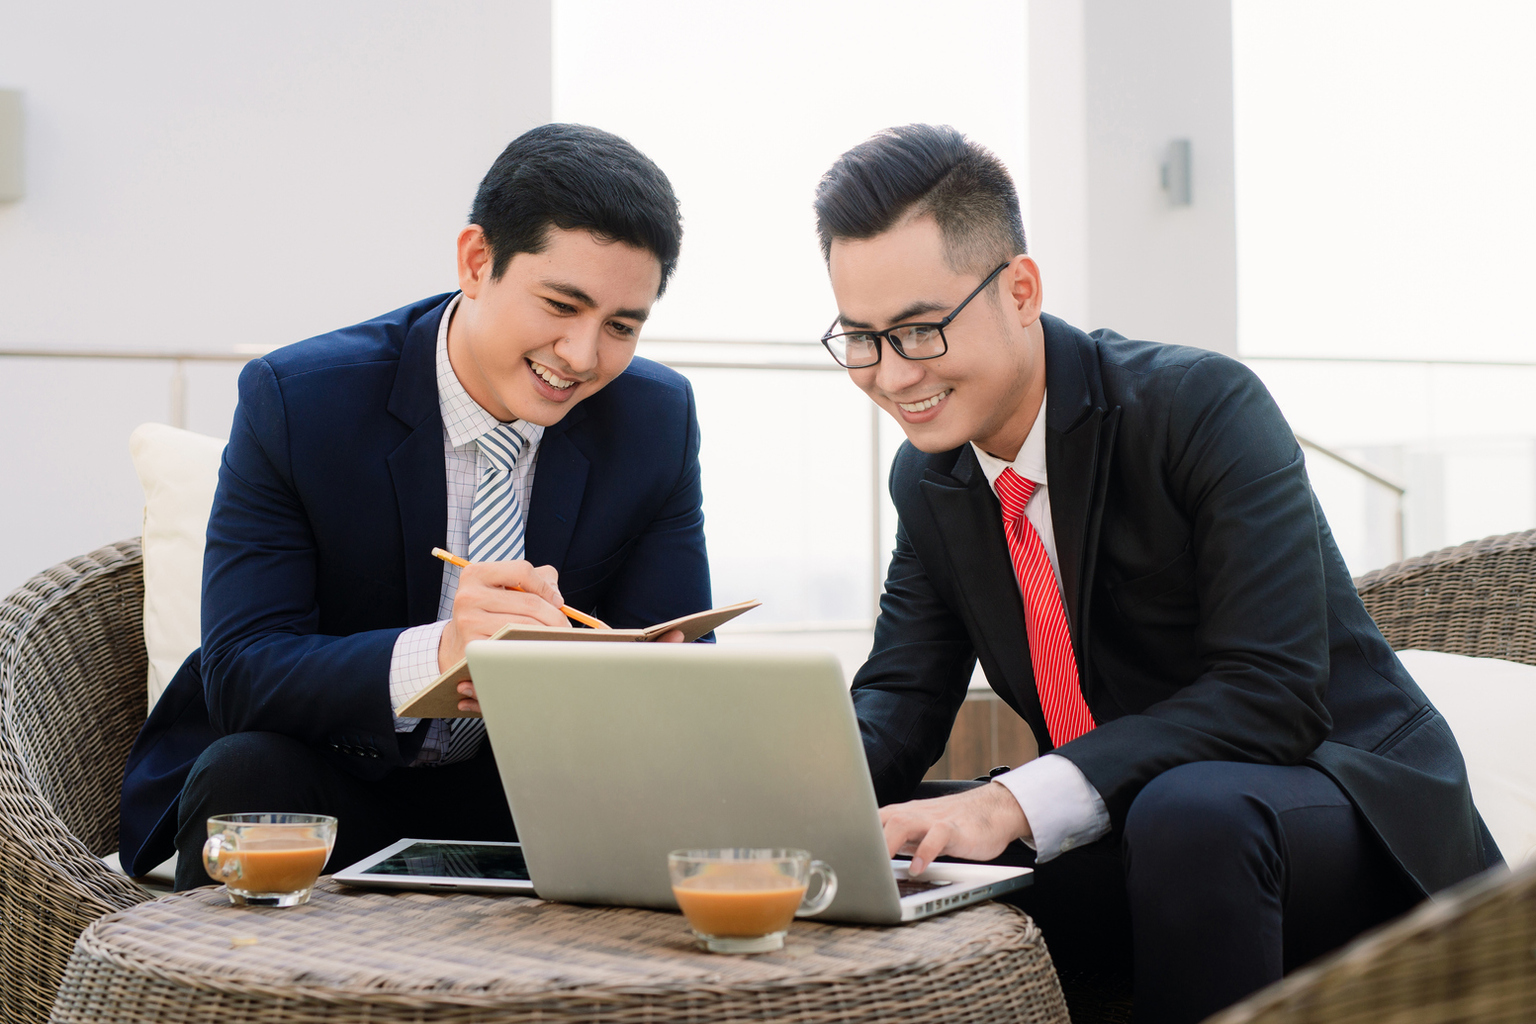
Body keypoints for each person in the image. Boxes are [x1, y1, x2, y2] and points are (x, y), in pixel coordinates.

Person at [813, 124, 1499, 1024]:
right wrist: (780, 801)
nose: (892, 375)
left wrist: (1015, 798)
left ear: (1021, 290)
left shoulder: (1200, 406)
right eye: (860, 338)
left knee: (1186, 812)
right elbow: (900, 701)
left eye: (918, 330)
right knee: (886, 840)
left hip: (1339, 805)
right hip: (1139, 821)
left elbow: (1274, 695)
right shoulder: (933, 478)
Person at [118, 124, 711, 890]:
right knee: (246, 775)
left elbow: (678, 652)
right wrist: (437, 656)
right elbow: (241, 670)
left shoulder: (655, 419)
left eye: (621, 327)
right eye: (562, 305)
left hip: (528, 794)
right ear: (476, 262)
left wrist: (650, 683)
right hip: (336, 777)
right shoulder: (300, 401)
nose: (582, 355)